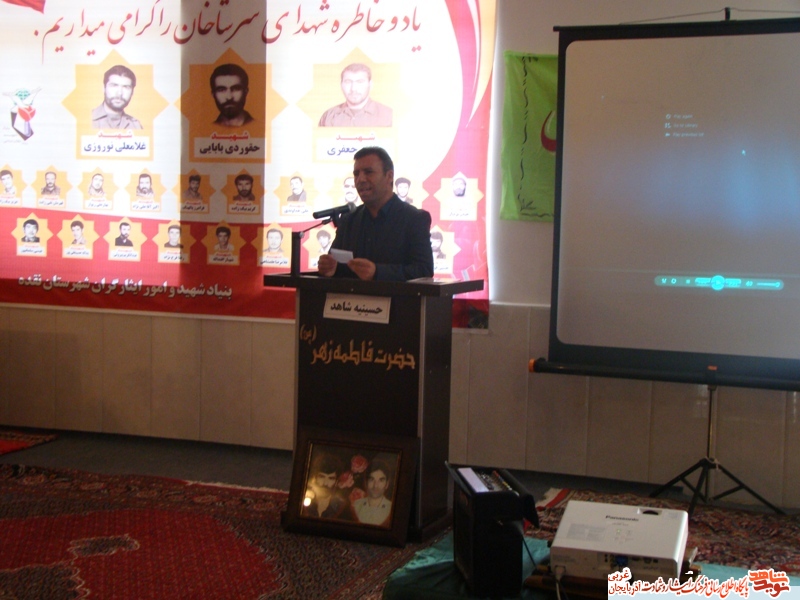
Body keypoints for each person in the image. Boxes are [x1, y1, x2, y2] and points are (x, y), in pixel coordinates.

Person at [317, 146, 433, 281]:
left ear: (389, 176)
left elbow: (423, 270)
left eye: (368, 172)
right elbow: (339, 265)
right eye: (356, 174)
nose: (360, 179)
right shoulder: (349, 220)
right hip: (350, 295)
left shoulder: (414, 219)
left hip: (394, 295)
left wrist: (378, 272)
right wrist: (331, 268)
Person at [319, 63, 393, 128]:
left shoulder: (388, 116)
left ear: (370, 85)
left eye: (360, 82)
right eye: (348, 82)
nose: (353, 89)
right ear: (341, 85)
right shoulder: (328, 116)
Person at [91, 65, 143, 130]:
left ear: (132, 92)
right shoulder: (86, 119)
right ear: (104, 88)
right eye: (114, 85)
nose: (120, 93)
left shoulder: (136, 126)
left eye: (126, 87)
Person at [302, 452, 348, 519]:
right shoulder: (303, 502)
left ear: (336, 481)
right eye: (321, 477)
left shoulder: (340, 506)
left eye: (331, 478)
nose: (325, 483)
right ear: (315, 478)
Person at [351, 459, 393, 526]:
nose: (375, 485)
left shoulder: (391, 508)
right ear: (366, 482)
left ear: (387, 484)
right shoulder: (356, 505)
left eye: (381, 480)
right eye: (371, 479)